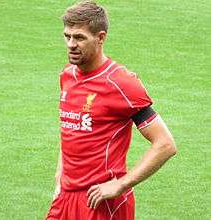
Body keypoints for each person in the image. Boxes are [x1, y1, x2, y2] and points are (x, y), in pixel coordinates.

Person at [46, 1, 177, 219]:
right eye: (67, 36)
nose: (71, 44)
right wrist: (60, 179)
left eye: (79, 37)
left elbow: (165, 144)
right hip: (66, 198)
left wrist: (121, 185)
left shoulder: (121, 83)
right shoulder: (67, 75)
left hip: (101, 201)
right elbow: (71, 132)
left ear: (101, 37)